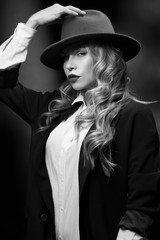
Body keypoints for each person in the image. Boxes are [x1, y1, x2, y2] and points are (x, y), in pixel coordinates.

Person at [0, 3, 159, 240]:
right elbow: (3, 82)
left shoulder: (132, 115)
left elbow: (143, 200)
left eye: (81, 53)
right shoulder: (51, 109)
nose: (69, 65)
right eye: (66, 57)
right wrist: (32, 23)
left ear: (103, 57)